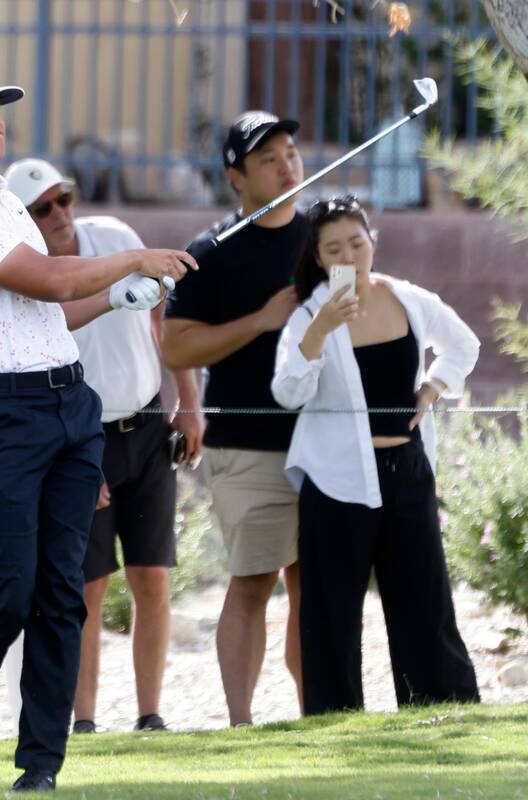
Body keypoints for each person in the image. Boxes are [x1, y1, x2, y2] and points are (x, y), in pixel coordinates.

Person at [0, 63, 194, 794]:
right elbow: (50, 280)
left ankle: (40, 770)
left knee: (63, 594)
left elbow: (50, 313)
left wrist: (122, 295)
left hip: (67, 406)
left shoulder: (3, 199)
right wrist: (130, 257)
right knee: (1, 596)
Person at [6, 157, 205, 735]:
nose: (59, 214)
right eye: (42, 208)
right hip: (80, 439)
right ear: (24, 219)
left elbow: (164, 314)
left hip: (145, 426)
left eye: (62, 198)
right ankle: (85, 720)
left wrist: (187, 395)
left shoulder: (115, 237)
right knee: (86, 588)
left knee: (153, 578)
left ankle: (150, 714)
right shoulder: (27, 272)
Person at [271, 195, 481, 714]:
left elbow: (464, 344)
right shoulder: (307, 315)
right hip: (337, 477)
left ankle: (441, 707)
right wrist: (318, 332)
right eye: (334, 247)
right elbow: (287, 393)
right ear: (319, 258)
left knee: (424, 602)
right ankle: (334, 718)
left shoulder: (408, 298)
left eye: (357, 242)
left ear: (373, 243)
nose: (349, 255)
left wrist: (432, 388)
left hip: (407, 471)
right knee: (331, 613)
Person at [161, 111, 307, 727]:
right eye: (268, 158)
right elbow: (176, 347)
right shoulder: (210, 251)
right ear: (236, 176)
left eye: (291, 152)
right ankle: (241, 725)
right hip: (247, 445)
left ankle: (318, 715)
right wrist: (261, 321)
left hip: (326, 439)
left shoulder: (327, 236)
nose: (287, 164)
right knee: (253, 582)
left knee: (317, 588)